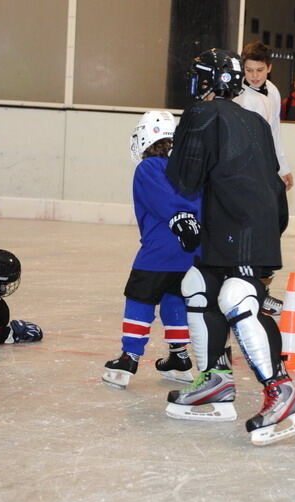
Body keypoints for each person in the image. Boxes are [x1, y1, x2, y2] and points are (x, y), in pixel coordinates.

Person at [163, 48, 295, 446]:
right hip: (243, 222)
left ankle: (281, 392)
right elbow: (270, 178)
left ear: (207, 82)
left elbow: (185, 178)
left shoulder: (201, 114)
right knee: (198, 284)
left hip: (238, 225)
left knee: (236, 297)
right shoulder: (253, 119)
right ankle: (215, 379)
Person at [101, 111, 200, 390]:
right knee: (175, 299)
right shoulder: (187, 169)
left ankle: (129, 357)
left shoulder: (148, 168)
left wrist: (179, 219)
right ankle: (179, 358)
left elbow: (164, 199)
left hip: (159, 252)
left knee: (140, 298)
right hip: (189, 256)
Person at [233, 40, 292, 317]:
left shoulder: (274, 91)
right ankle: (252, 292)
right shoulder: (242, 98)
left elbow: (275, 132)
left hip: (269, 171)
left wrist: (283, 168)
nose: (254, 75)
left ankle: (261, 287)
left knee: (277, 224)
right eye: (249, 70)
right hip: (249, 176)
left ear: (269, 68)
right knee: (256, 233)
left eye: (259, 69)